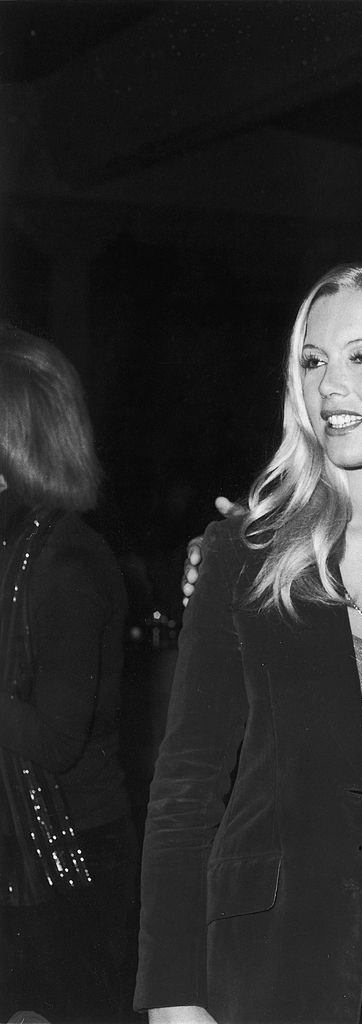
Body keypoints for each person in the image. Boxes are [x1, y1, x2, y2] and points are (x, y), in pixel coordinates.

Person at [134, 260, 362, 1024]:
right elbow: (187, 784)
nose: (329, 384)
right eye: (313, 360)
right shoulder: (250, 554)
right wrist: (172, 993)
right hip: (287, 958)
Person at [0, 325, 135, 1023]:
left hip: (72, 860)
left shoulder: (68, 564)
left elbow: (54, 740)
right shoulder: (16, 547)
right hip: (25, 858)